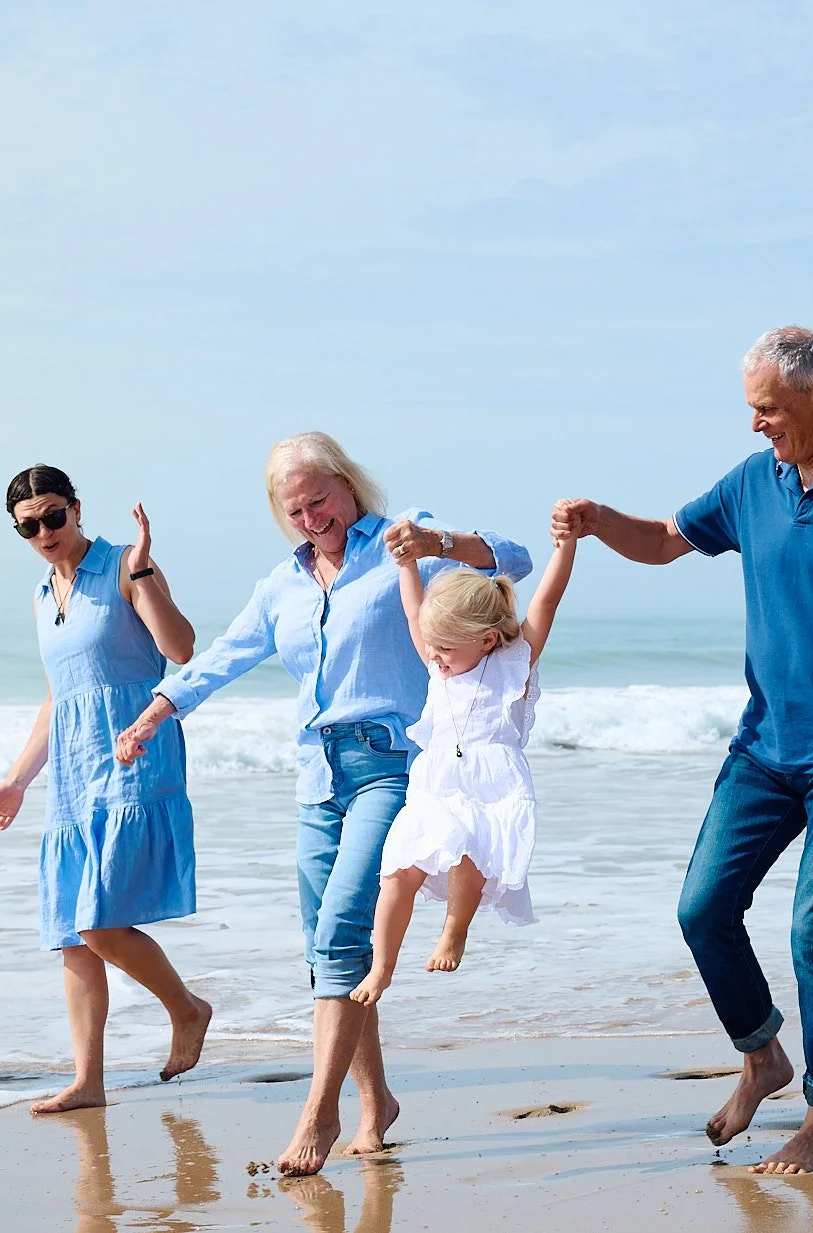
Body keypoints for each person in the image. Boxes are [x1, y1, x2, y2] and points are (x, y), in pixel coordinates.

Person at [553, 326, 813, 1175]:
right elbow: (667, 538)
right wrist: (602, 524)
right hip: (763, 748)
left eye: (767, 409)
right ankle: (762, 1056)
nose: (756, 425)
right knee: (702, 909)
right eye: (752, 409)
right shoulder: (757, 482)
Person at [114, 432, 532, 1176]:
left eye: (320, 500)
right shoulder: (283, 583)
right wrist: (157, 710)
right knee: (328, 950)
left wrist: (440, 539)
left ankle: (320, 1111)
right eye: (295, 508)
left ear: (347, 484)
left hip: (393, 765)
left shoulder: (405, 543)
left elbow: (513, 559)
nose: (311, 517)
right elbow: (224, 655)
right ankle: (378, 1103)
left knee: (342, 929)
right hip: (317, 771)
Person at [0, 466, 213, 1115]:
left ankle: (187, 1008)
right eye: (31, 524)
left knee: (98, 920)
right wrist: (17, 780)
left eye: (55, 515)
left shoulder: (123, 565)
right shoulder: (40, 593)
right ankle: (88, 1080)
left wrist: (141, 572)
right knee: (73, 934)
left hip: (134, 751)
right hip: (74, 774)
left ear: (77, 509)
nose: (46, 531)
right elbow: (59, 697)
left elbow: (182, 647)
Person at [349, 525, 578, 1004]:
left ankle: (455, 931)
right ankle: (382, 967)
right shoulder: (438, 665)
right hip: (435, 783)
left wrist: (567, 547)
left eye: (446, 648)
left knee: (469, 857)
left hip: (490, 786)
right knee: (397, 872)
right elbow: (415, 613)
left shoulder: (515, 663)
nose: (435, 657)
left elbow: (546, 604)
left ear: (489, 640)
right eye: (432, 647)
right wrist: (406, 564)